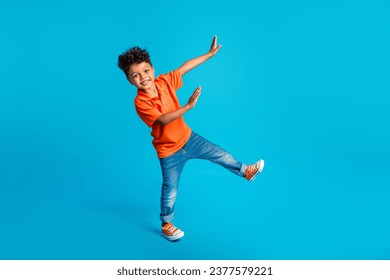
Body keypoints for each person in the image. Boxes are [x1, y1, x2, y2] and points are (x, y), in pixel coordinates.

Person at [117, 36, 264, 241]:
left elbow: (184, 67)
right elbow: (162, 120)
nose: (143, 77)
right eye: (135, 75)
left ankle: (246, 172)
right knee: (170, 187)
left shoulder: (164, 82)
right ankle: (167, 224)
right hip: (169, 151)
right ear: (129, 80)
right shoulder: (140, 103)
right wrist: (186, 107)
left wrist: (209, 55)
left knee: (220, 154)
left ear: (152, 68)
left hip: (189, 138)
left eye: (145, 71)